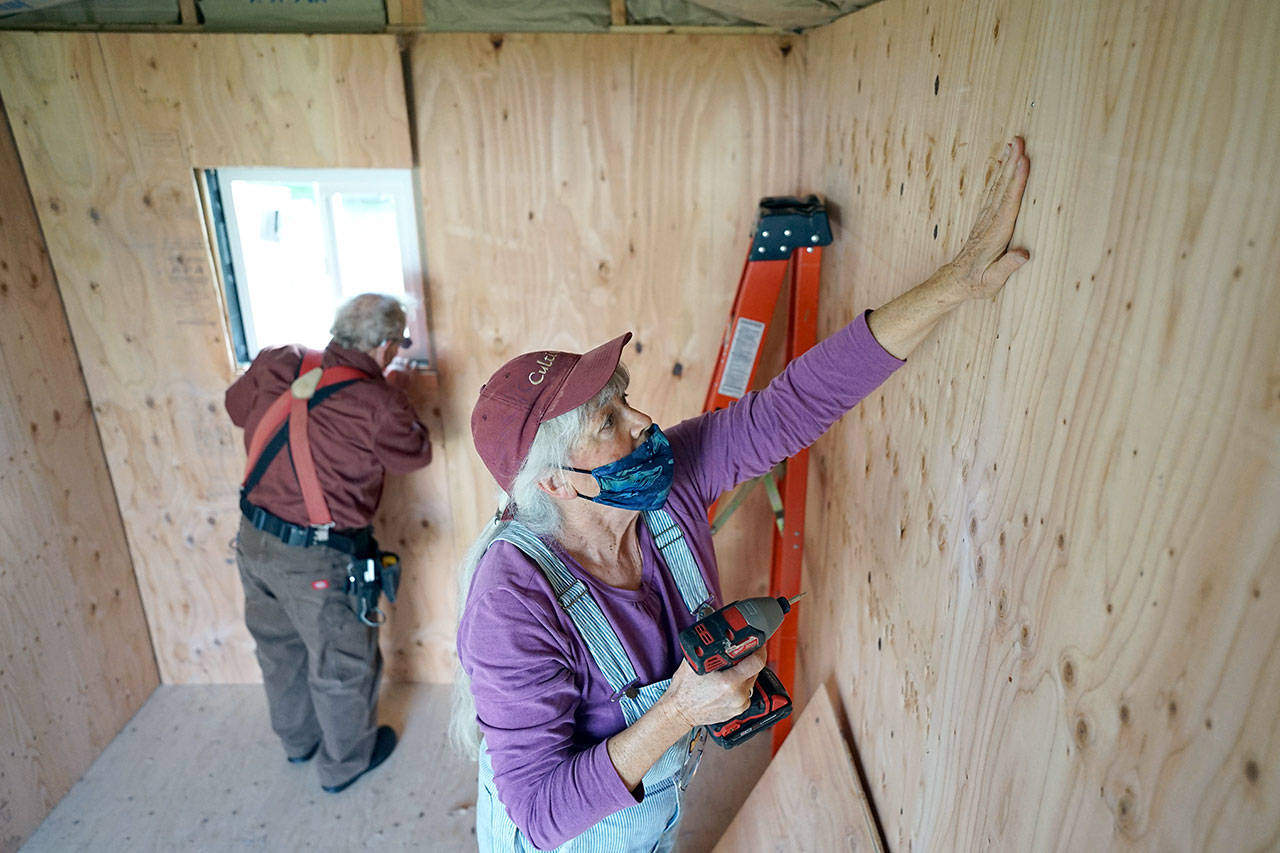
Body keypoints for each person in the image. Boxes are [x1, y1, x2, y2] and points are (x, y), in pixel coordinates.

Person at [454, 138, 1032, 850]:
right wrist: (678, 711)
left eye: (625, 399)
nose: (644, 423)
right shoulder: (510, 600)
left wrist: (952, 285)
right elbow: (541, 813)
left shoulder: (670, 480)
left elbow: (795, 403)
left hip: (650, 817)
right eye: (609, 421)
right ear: (553, 481)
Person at [225, 293, 432, 793]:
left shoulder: (281, 361)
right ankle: (343, 765)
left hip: (253, 539)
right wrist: (394, 392)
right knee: (341, 662)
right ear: (385, 346)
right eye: (399, 343)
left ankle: (298, 743)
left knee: (278, 648)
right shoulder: (378, 404)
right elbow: (415, 452)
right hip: (317, 557)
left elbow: (236, 408)